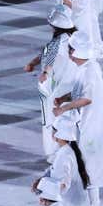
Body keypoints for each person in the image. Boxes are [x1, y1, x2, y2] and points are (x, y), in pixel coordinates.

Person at [53, 39, 103, 206]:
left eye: (72, 50)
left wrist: (64, 107)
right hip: (84, 124)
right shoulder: (85, 68)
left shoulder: (90, 71)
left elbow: (86, 98)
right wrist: (64, 98)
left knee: (89, 170)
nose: (70, 53)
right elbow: (79, 92)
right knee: (85, 169)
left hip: (91, 128)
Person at [33, 118, 98, 206]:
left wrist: (41, 185)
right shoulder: (70, 151)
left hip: (68, 204)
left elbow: (63, 185)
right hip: (75, 203)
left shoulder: (64, 155)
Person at [25, 9, 79, 158]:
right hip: (71, 85)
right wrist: (33, 63)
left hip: (55, 87)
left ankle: (53, 151)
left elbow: (49, 58)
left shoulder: (57, 41)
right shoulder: (74, 38)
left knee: (50, 119)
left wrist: (44, 73)